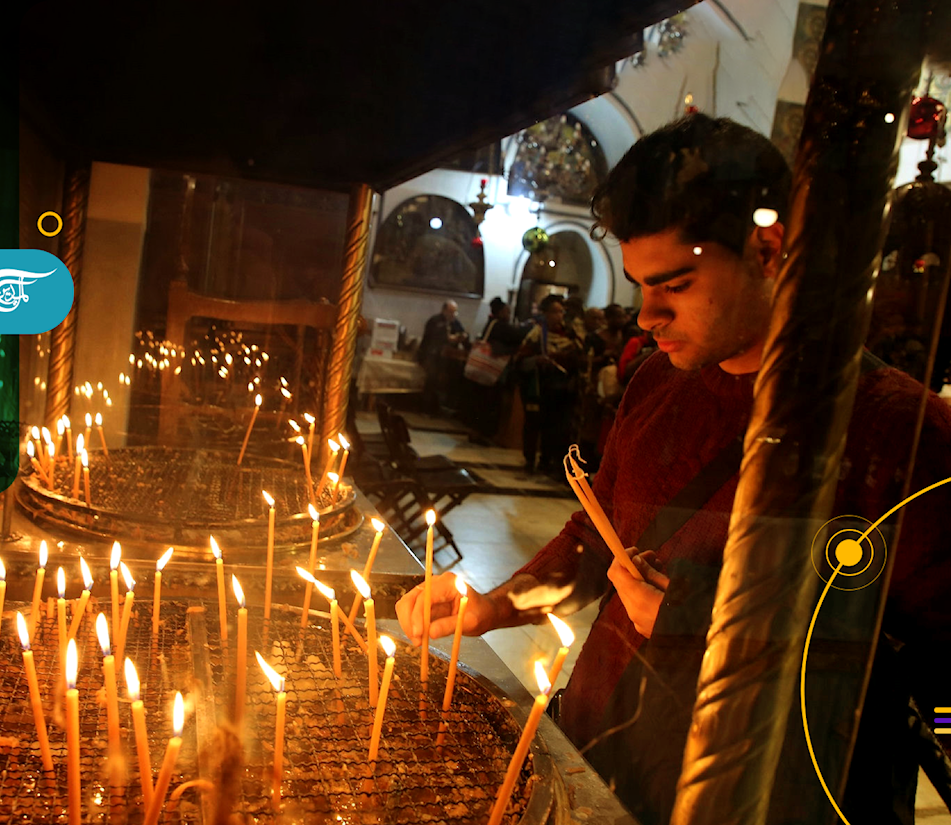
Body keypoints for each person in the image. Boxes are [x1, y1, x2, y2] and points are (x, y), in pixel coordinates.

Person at [396, 114, 951, 824]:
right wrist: (494, 606)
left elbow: (938, 696)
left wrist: (701, 626)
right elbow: (598, 541)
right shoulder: (658, 384)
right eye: (638, 284)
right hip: (600, 766)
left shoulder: (903, 432)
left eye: (676, 284)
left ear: (768, 247)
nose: (647, 315)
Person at [514, 294, 583, 479]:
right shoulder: (537, 333)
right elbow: (520, 359)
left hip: (561, 389)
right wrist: (537, 360)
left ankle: (547, 460)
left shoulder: (570, 334)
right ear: (545, 313)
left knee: (554, 426)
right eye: (554, 312)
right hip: (538, 387)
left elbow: (579, 359)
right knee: (533, 424)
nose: (559, 316)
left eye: (561, 312)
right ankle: (530, 460)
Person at [466, 297, 526, 441]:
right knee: (489, 403)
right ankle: (482, 433)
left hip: (483, 371)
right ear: (500, 312)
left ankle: (476, 431)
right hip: (492, 371)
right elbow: (519, 336)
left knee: (480, 401)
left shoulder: (491, 323)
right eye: (507, 311)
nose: (509, 314)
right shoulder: (501, 326)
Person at [417, 300, 468, 414]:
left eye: (454, 312)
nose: (453, 315)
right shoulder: (435, 321)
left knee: (458, 373)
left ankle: (449, 407)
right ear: (444, 310)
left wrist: (463, 336)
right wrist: (450, 338)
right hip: (430, 354)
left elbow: (463, 333)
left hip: (447, 357)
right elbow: (436, 338)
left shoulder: (454, 322)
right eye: (450, 312)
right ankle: (426, 409)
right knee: (432, 377)